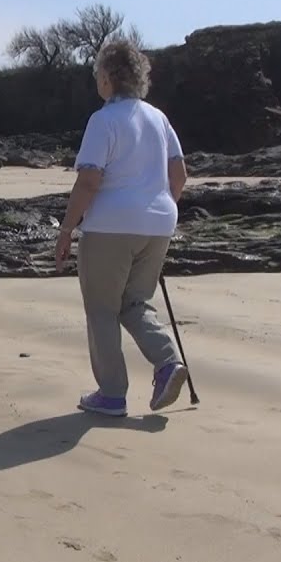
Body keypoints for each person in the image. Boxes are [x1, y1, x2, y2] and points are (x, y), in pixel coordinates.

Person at [54, 38, 189, 417]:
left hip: (110, 227)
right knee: (133, 303)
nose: (96, 79)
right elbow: (178, 174)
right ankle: (167, 363)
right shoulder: (158, 118)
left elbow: (89, 180)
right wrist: (160, 210)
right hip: (159, 223)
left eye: (98, 72)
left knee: (101, 307)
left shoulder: (103, 121)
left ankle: (112, 393)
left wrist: (66, 230)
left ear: (110, 78)